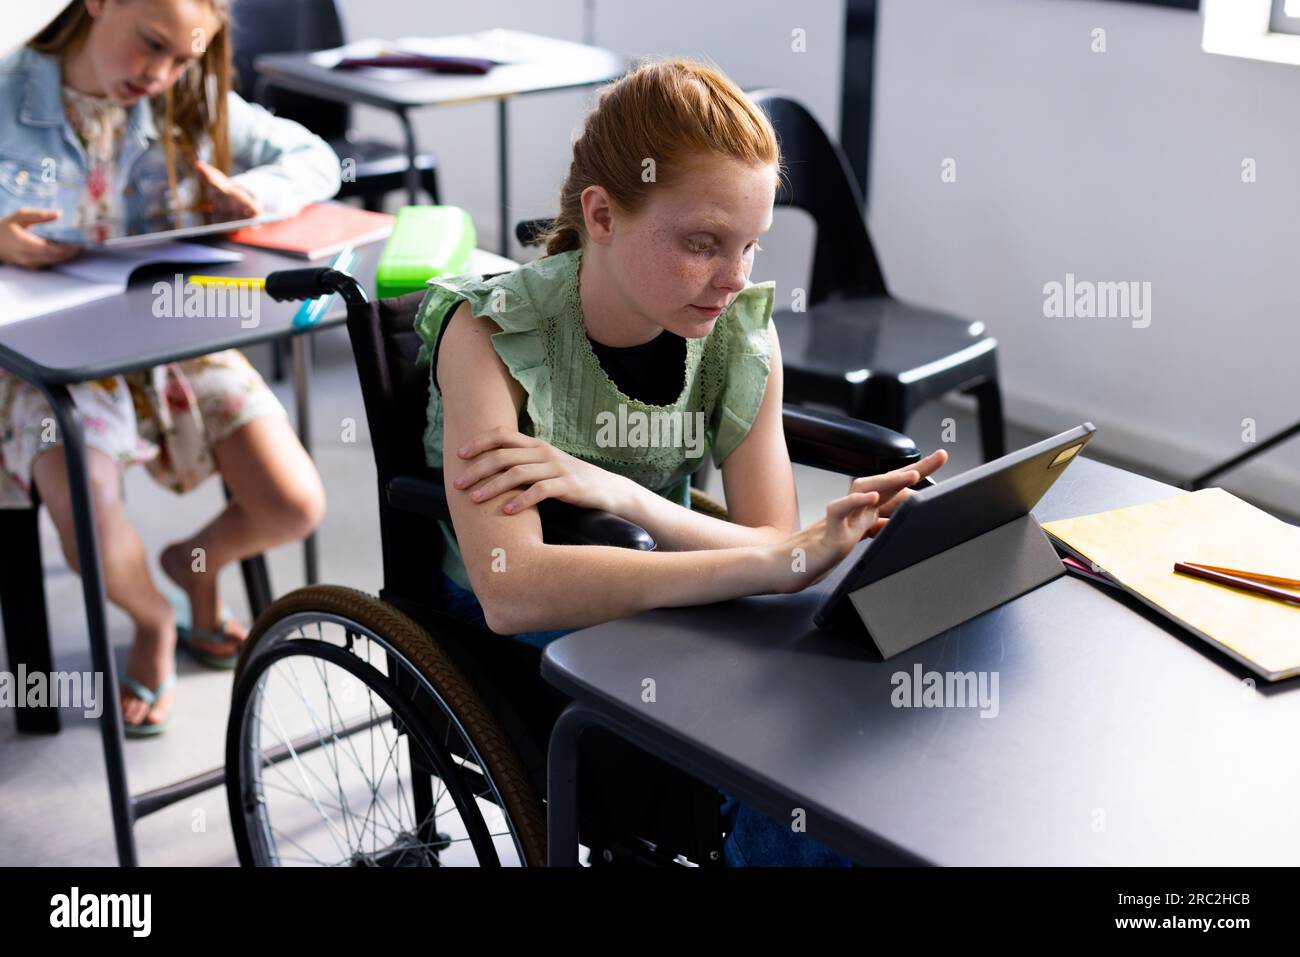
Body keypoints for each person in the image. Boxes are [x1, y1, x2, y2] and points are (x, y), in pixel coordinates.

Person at [414, 58, 948, 865]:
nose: (734, 279)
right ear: (602, 214)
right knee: (784, 764)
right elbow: (510, 586)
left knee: (849, 732)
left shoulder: (737, 331)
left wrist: (636, 500)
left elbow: (770, 544)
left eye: (751, 246)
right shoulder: (493, 335)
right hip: (522, 634)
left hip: (656, 577)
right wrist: (776, 558)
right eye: (704, 244)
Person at [0, 0, 342, 735]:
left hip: (171, 338)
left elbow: (316, 160)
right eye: (151, 44)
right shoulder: (8, 87)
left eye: (184, 58)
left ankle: (194, 562)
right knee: (86, 506)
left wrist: (257, 195)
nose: (160, 74)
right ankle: (153, 617)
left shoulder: (191, 95)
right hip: (47, 364)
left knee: (293, 502)